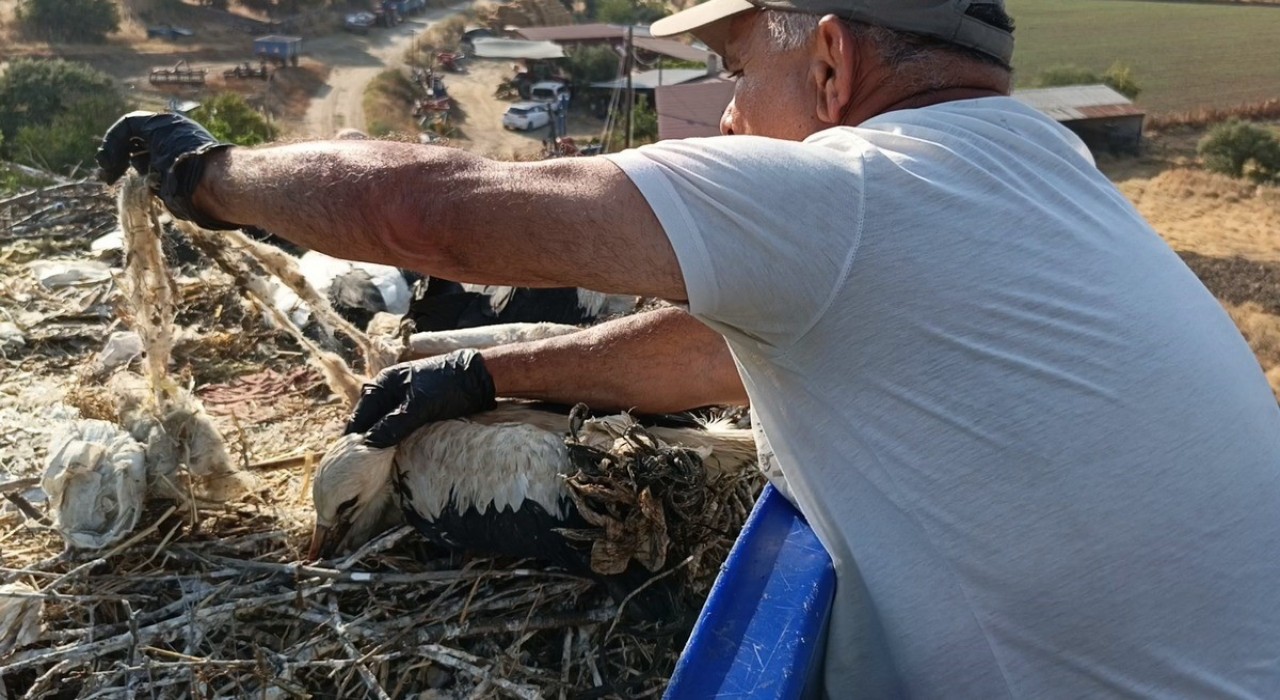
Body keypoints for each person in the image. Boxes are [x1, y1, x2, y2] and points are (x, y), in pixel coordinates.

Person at [96, 0, 1280, 696]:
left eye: (731, 68)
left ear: (830, 62)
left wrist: (211, 177)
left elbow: (434, 212)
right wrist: (491, 371)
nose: (720, 111)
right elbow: (718, 356)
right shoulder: (1039, 169)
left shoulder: (850, 189)